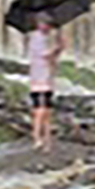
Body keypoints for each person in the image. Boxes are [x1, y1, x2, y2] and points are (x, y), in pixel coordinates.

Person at [27, 12, 64, 151]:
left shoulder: (46, 38)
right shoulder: (36, 37)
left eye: (48, 25)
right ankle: (37, 137)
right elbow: (46, 55)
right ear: (38, 23)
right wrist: (58, 48)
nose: (46, 27)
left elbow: (52, 59)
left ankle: (47, 141)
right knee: (39, 110)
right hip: (37, 78)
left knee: (47, 111)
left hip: (47, 77)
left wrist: (58, 50)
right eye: (44, 24)